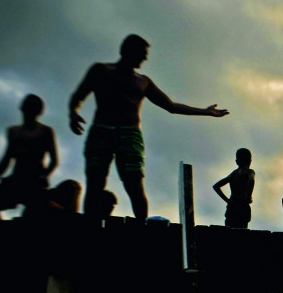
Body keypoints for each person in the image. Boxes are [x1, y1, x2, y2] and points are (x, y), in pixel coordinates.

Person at [68, 33, 229, 220]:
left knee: (134, 184)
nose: (145, 58)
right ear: (128, 51)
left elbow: (171, 106)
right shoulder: (101, 71)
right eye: (142, 53)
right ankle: (90, 225)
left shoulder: (143, 81)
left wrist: (205, 111)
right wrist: (73, 113)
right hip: (102, 130)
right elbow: (78, 96)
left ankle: (142, 229)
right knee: (96, 181)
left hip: (130, 135)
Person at [0, 94, 59, 221]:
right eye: (28, 106)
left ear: (39, 111)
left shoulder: (45, 131)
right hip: (16, 179)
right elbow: (6, 159)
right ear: (22, 108)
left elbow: (54, 160)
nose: (30, 110)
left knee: (35, 213)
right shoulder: (13, 132)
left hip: (35, 179)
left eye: (34, 107)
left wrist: (45, 175)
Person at [212, 147, 255, 229]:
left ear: (237, 161)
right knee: (241, 231)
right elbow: (252, 180)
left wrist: (228, 200)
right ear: (249, 161)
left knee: (229, 231)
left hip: (232, 205)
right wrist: (248, 196)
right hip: (242, 205)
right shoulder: (250, 172)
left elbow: (216, 186)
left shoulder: (233, 174)